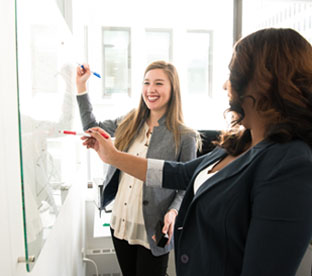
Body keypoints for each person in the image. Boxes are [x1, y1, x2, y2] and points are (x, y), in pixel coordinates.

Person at [81, 28, 312, 276]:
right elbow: (179, 174)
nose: (225, 84)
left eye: (233, 74)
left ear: (265, 82)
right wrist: (113, 157)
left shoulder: (292, 164)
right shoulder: (239, 142)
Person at [76, 60, 199, 276]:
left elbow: (186, 184)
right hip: (121, 222)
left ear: (173, 89)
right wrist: (81, 87)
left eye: (159, 83)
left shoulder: (185, 136)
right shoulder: (130, 120)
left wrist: (173, 211)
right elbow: (90, 128)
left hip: (153, 227)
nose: (151, 89)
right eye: (146, 82)